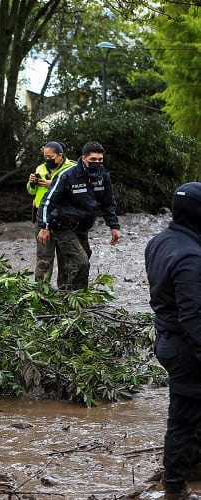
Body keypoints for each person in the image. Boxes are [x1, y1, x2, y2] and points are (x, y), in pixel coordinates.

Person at [145, 183, 201, 500]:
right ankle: (176, 488)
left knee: (191, 411)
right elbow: (194, 316)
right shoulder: (191, 255)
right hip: (187, 347)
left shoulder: (159, 242)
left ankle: (191, 469)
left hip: (167, 339)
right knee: (185, 416)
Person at [36, 141, 121, 290]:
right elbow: (47, 202)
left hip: (82, 227)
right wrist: (44, 227)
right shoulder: (68, 176)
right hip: (60, 225)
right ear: (83, 158)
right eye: (93, 160)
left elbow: (108, 203)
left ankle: (70, 296)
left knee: (76, 261)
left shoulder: (103, 177)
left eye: (100, 160)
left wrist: (114, 226)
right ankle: (41, 294)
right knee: (78, 261)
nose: (97, 163)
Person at [26, 141, 76, 285]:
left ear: (60, 156)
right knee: (43, 257)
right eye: (45, 156)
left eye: (50, 156)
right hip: (42, 217)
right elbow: (31, 192)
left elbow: (77, 191)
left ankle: (66, 292)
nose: (47, 159)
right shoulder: (41, 168)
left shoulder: (72, 168)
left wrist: (53, 184)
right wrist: (32, 183)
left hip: (64, 217)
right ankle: (41, 292)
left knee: (65, 257)